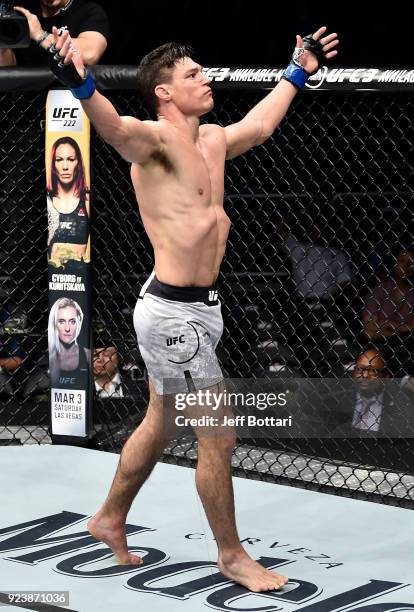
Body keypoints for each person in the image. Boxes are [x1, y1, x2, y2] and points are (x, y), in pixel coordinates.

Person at [46, 24, 339, 592]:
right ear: (163, 92)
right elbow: (112, 128)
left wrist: (298, 70)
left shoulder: (211, 141)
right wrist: (79, 84)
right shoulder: (152, 142)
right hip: (174, 318)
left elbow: (259, 125)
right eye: (191, 75)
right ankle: (231, 555)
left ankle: (108, 518)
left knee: (160, 423)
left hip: (201, 308)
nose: (205, 79)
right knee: (218, 434)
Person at [0, 0, 109, 67]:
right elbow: (8, 67)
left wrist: (40, 35)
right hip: (28, 99)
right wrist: (3, 44)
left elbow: (90, 53)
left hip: (73, 98)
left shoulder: (88, 11)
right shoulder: (23, 15)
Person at [363, 248, 414, 377]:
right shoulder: (378, 292)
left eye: (411, 262)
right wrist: (404, 328)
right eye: (402, 261)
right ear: (395, 263)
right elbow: (369, 331)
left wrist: (386, 324)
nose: (406, 266)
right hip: (381, 346)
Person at [47, 136, 90, 265]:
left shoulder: (87, 200)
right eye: (59, 160)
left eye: (71, 160)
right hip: (53, 275)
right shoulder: (47, 201)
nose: (65, 166)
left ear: (78, 163)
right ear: (53, 164)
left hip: (80, 276)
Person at [48, 297, 90, 384]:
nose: (67, 328)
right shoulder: (45, 358)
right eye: (61, 321)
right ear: (54, 323)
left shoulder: (89, 356)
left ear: (80, 322)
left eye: (72, 322)